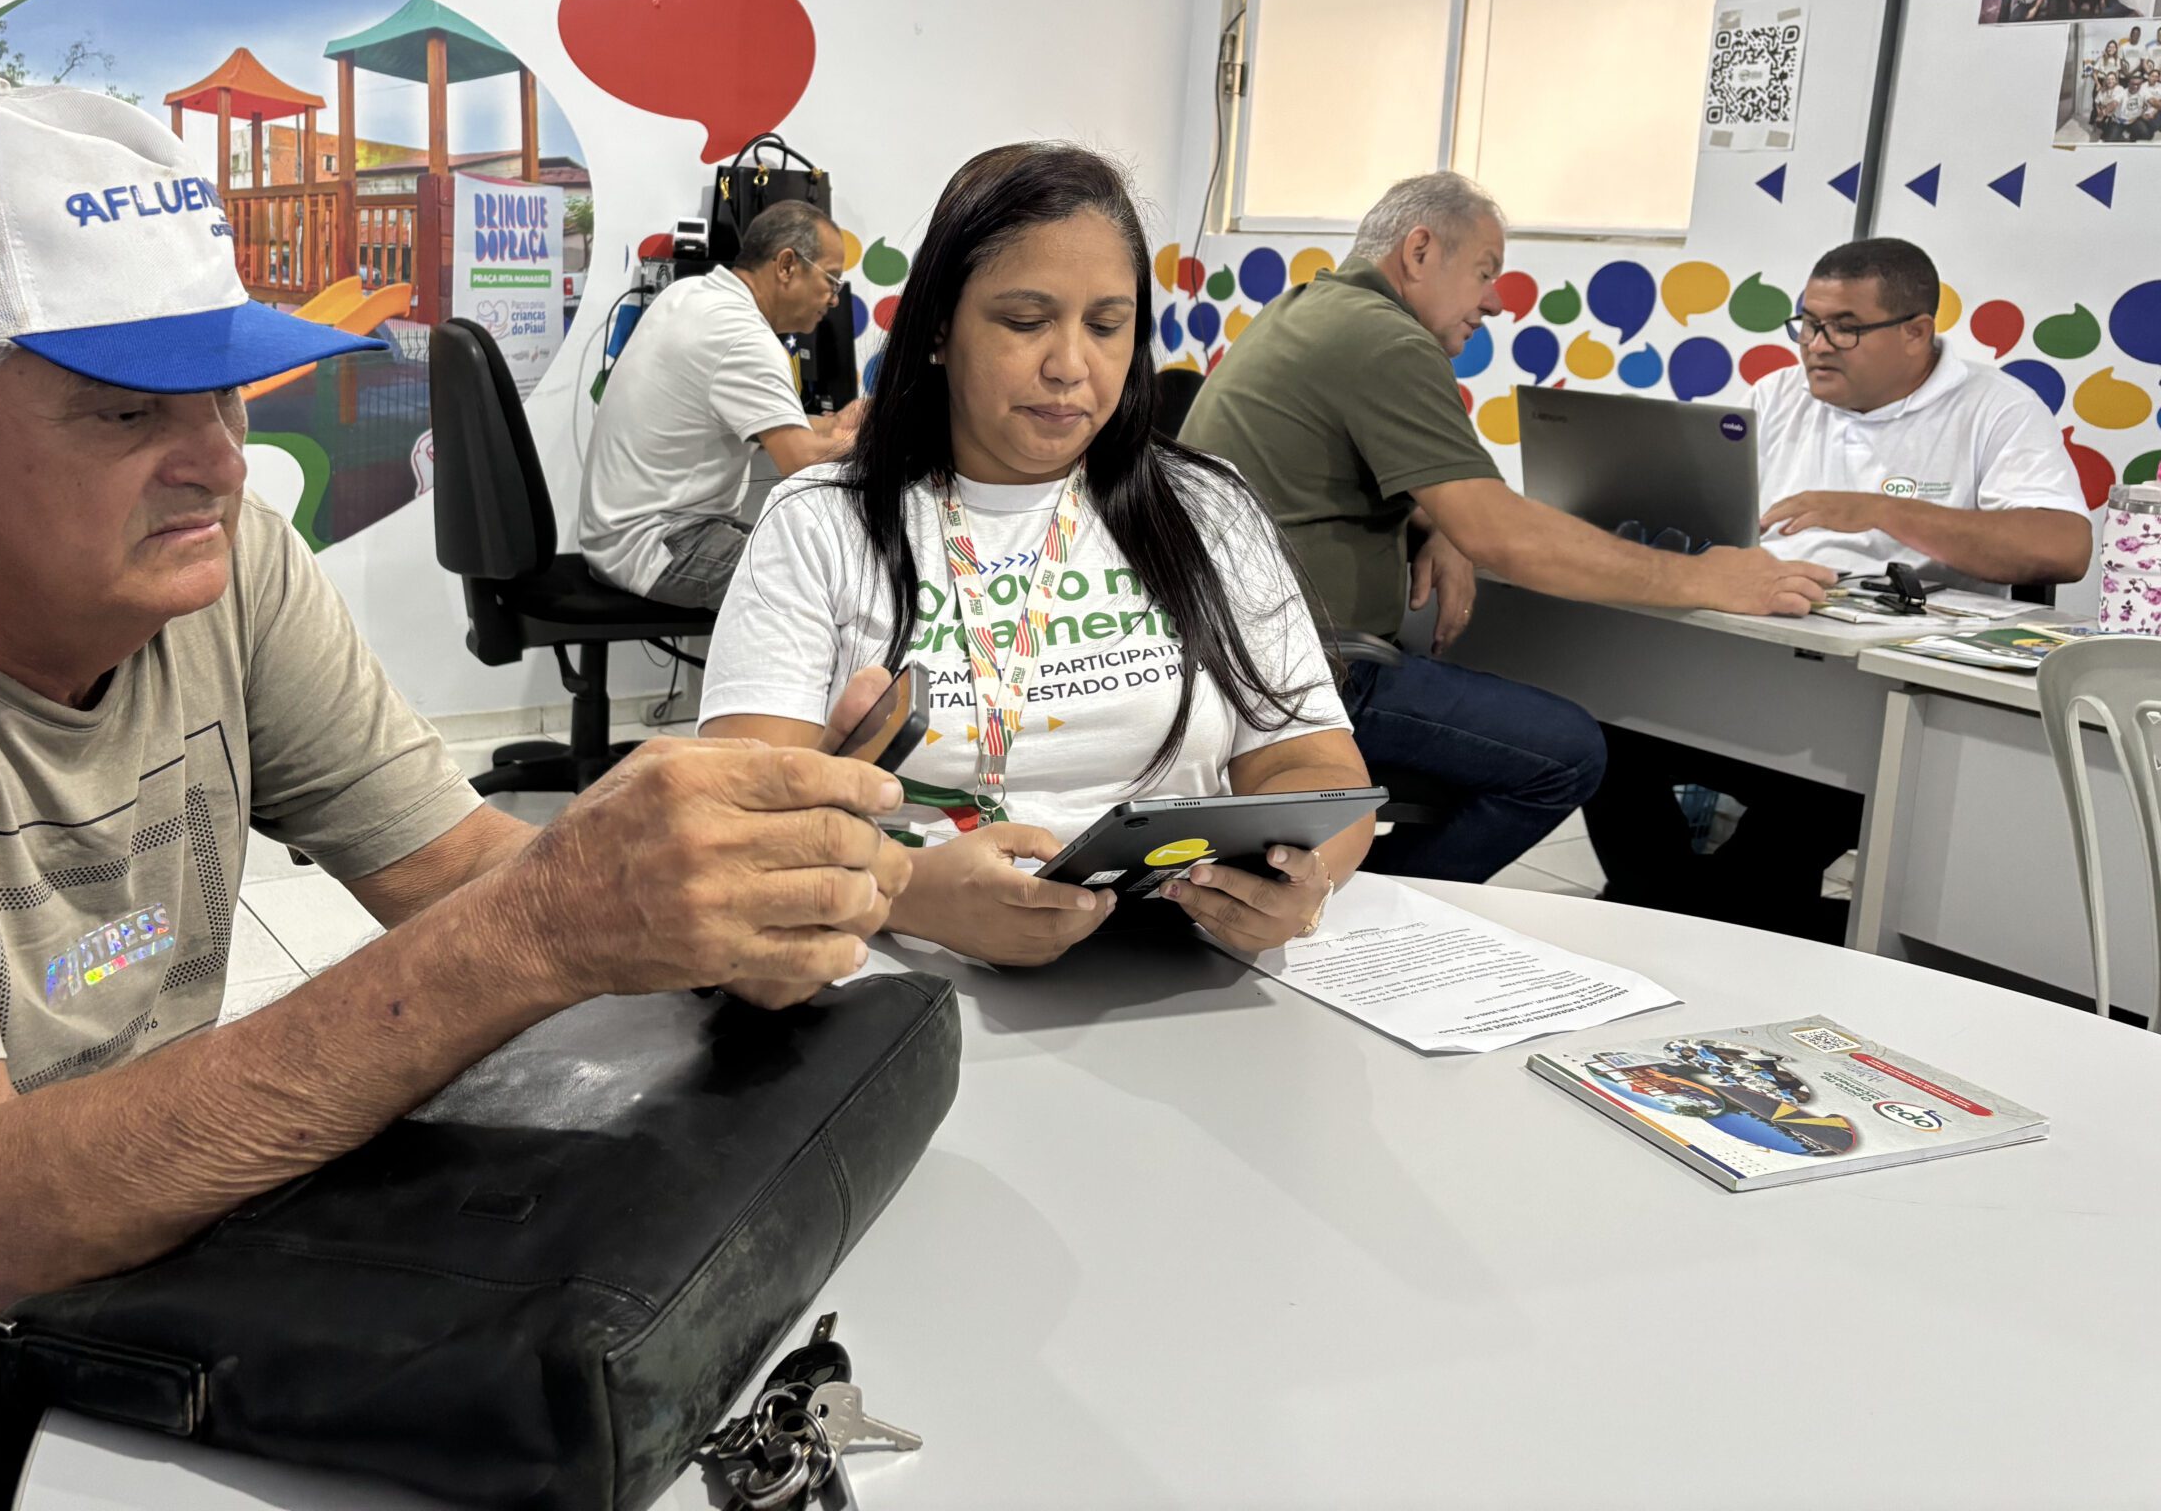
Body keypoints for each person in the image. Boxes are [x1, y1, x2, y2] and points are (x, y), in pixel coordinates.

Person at [0, 83, 910, 1511]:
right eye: (125, 410)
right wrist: (539, 927)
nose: (222, 463)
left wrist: (780, 870)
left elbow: (456, 872)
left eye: (226, 389)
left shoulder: (214, 554)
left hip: (152, 1271)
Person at [699, 143, 1372, 968]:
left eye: (1105, 326)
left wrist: (1301, 884)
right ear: (940, 328)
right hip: (899, 981)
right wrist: (907, 891)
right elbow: (733, 830)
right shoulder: (821, 524)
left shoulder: (1209, 510)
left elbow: (1318, 773)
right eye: (1024, 323)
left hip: (1172, 974)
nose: (1069, 366)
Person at [1180, 171, 1834, 885]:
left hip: (1235, 660)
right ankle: (1378, 904)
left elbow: (1423, 497)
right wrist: (1707, 577)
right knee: (1570, 752)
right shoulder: (1387, 341)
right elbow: (1506, 535)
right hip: (1317, 677)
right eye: (1486, 272)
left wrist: (1446, 526)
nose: (1494, 300)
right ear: (1420, 251)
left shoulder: (1306, 310)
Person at [1587, 237, 2091, 940]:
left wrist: (1885, 510)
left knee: (1802, 806)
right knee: (1600, 734)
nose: (1816, 346)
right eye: (1807, 323)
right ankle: (1679, 913)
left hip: (1873, 700)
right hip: (1754, 654)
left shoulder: (1995, 408)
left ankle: (1696, 920)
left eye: (1844, 328)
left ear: (1917, 332)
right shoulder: (1777, 394)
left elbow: (2062, 548)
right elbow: (1715, 514)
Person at [578, 199, 862, 608]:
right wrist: (884, 436)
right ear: (786, 266)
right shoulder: (744, 338)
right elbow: (798, 459)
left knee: (819, 561)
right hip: (657, 546)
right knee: (830, 586)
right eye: (831, 280)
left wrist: (837, 426)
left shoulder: (691, 294)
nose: (834, 299)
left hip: (621, 535)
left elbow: (773, 422)